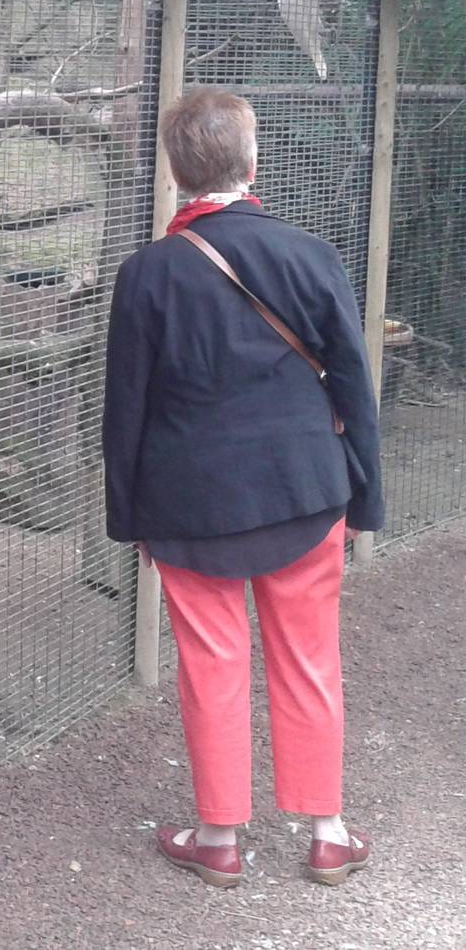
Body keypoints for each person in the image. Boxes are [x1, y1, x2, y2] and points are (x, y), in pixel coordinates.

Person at [102, 87, 383, 889]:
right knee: (309, 660)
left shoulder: (146, 273)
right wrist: (364, 499)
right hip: (305, 492)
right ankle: (327, 832)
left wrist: (130, 522)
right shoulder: (311, 254)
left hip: (191, 508)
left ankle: (219, 838)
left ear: (175, 172)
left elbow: (126, 410)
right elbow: (353, 389)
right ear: (252, 163)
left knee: (211, 664)